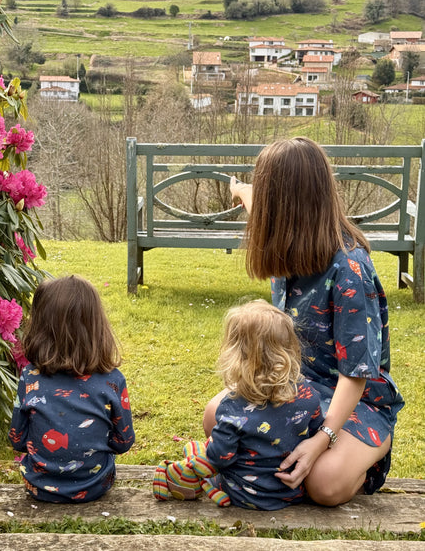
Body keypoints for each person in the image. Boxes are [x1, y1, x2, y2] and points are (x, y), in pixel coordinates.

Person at [204, 137, 404, 507]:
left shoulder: (349, 269)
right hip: (295, 388)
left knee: (325, 484)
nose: (259, 211)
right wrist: (241, 190)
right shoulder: (286, 243)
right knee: (215, 415)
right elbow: (253, 202)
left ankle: (355, 461)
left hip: (355, 401)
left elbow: (356, 375)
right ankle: (288, 467)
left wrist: (321, 439)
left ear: (285, 206)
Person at [154, 299, 322, 510]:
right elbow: (316, 432)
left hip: (245, 495)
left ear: (237, 356)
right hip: (290, 493)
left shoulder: (233, 408)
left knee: (205, 460)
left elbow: (219, 458)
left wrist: (212, 446)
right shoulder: (308, 395)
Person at [8, 275, 135, 503]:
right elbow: (123, 442)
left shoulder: (30, 376)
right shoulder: (113, 381)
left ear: (40, 327)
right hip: (96, 485)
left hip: (39, 486)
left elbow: (17, 440)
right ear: (97, 327)